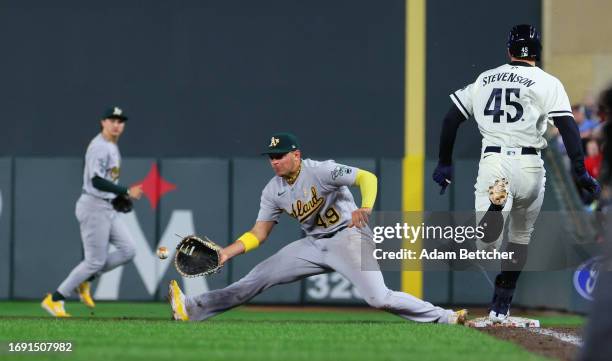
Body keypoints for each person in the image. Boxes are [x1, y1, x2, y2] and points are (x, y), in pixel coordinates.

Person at [168, 132, 467, 324]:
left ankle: (445, 317)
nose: (274, 161)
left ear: (295, 155)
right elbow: (260, 232)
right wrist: (226, 254)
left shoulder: (321, 170)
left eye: (280, 155)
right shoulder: (273, 190)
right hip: (312, 245)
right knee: (253, 280)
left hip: (348, 238)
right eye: (271, 157)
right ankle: (191, 309)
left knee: (379, 298)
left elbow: (368, 178)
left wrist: (366, 207)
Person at [431, 24, 600, 323]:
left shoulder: (485, 78)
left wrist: (445, 162)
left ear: (509, 50)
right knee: (520, 238)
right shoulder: (547, 82)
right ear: (538, 52)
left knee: (487, 243)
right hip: (531, 166)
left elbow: (450, 120)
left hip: (495, 163)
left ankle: (495, 213)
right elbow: (568, 127)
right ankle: (501, 305)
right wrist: (580, 171)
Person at [41, 106, 143, 317]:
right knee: (94, 261)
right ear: (103, 122)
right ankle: (55, 298)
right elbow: (96, 180)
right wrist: (125, 191)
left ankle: (85, 280)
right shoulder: (99, 147)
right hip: (93, 206)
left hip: (106, 205)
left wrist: (117, 196)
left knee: (129, 250)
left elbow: (106, 179)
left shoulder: (112, 146)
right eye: (112, 120)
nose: (117, 124)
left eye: (120, 121)